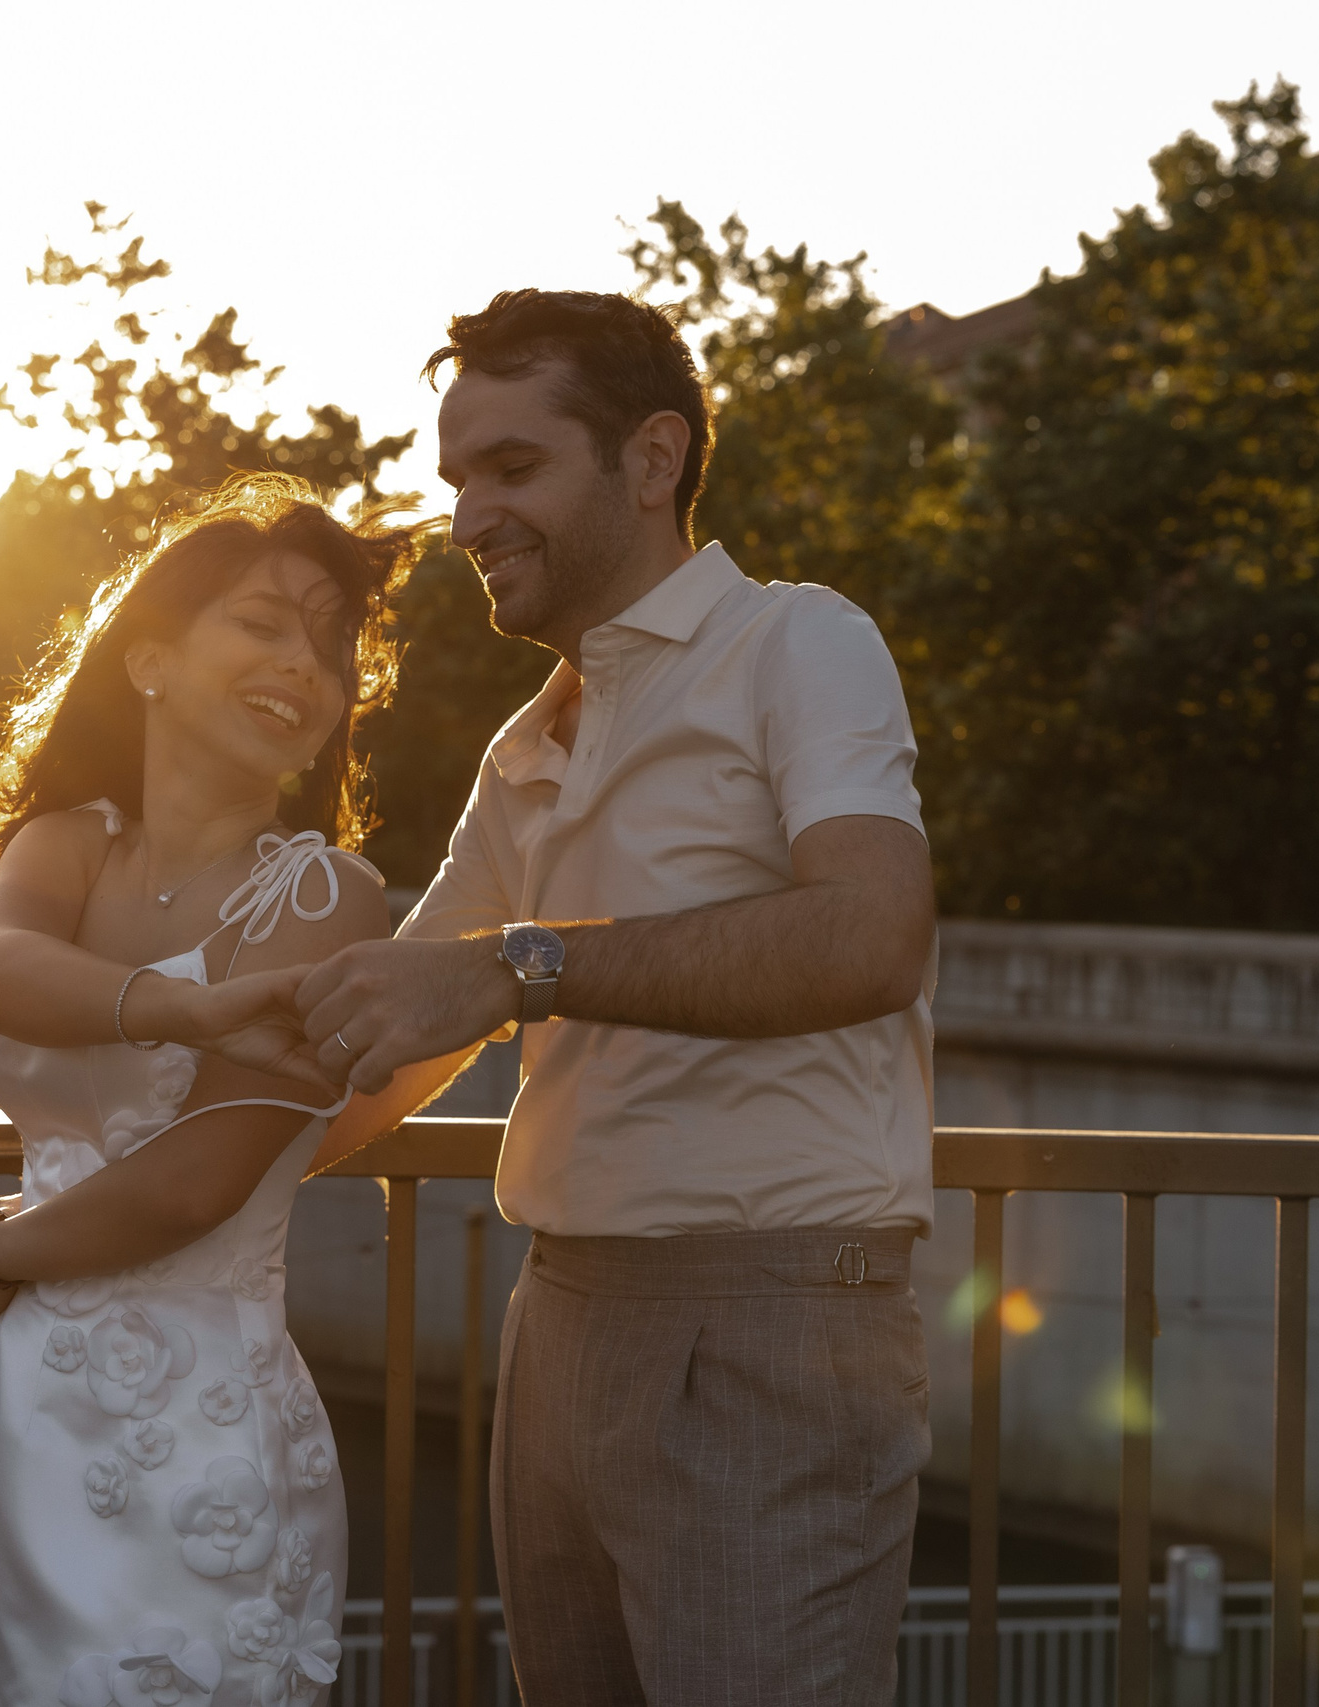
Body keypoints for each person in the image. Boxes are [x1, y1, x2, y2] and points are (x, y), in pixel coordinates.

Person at [300, 289, 939, 1705]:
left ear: (652, 461)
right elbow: (388, 1041)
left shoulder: (799, 642)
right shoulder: (526, 740)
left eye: (512, 467)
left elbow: (872, 933)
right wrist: (110, 1210)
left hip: (767, 1323)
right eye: (457, 476)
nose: (468, 518)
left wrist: (519, 964)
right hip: (563, 1316)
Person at [0, 476, 411, 1707]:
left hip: (201, 1428)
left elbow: (195, 1180)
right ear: (147, 655)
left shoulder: (326, 896)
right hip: (36, 1407)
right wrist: (184, 1006)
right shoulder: (67, 841)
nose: (306, 665)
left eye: (331, 642)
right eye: (263, 623)